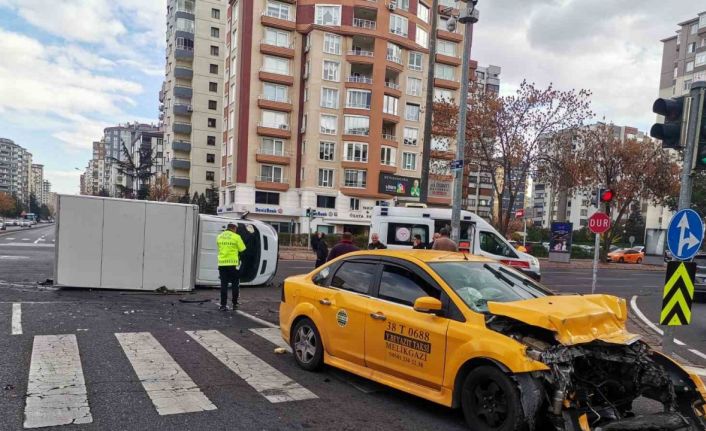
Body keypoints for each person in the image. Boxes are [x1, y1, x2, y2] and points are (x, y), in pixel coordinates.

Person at [216, 223, 246, 311]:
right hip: (233, 265)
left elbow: (219, 247)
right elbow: (243, 249)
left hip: (222, 264)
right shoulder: (236, 237)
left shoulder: (219, 236)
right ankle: (235, 304)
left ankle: (223, 305)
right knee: (235, 285)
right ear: (234, 228)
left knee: (223, 285)